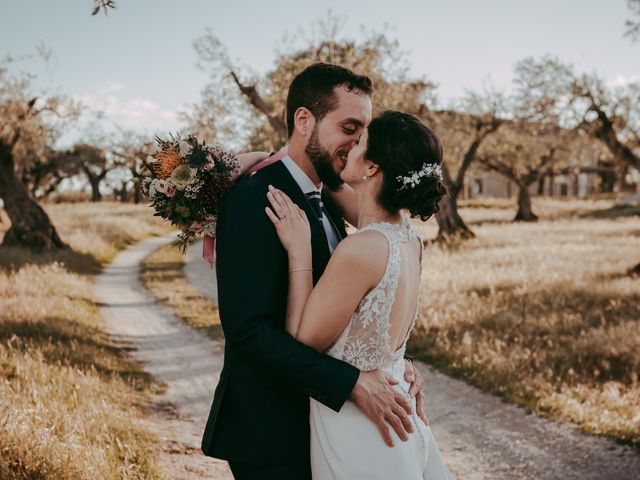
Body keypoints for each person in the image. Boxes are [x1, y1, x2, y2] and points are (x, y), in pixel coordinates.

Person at [201, 63, 428, 479]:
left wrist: (393, 360)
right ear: (304, 120)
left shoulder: (334, 200)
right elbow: (248, 331)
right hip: (272, 432)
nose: (359, 143)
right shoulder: (255, 200)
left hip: (329, 432)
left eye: (364, 133)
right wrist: (352, 383)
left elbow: (353, 306)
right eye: (349, 128)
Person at [265, 110, 452, 479]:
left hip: (360, 432)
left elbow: (303, 341)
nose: (351, 145)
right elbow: (337, 187)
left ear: (372, 169)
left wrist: (299, 253)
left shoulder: (361, 249)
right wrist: (267, 158)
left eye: (360, 143)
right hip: (397, 410)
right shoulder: (408, 237)